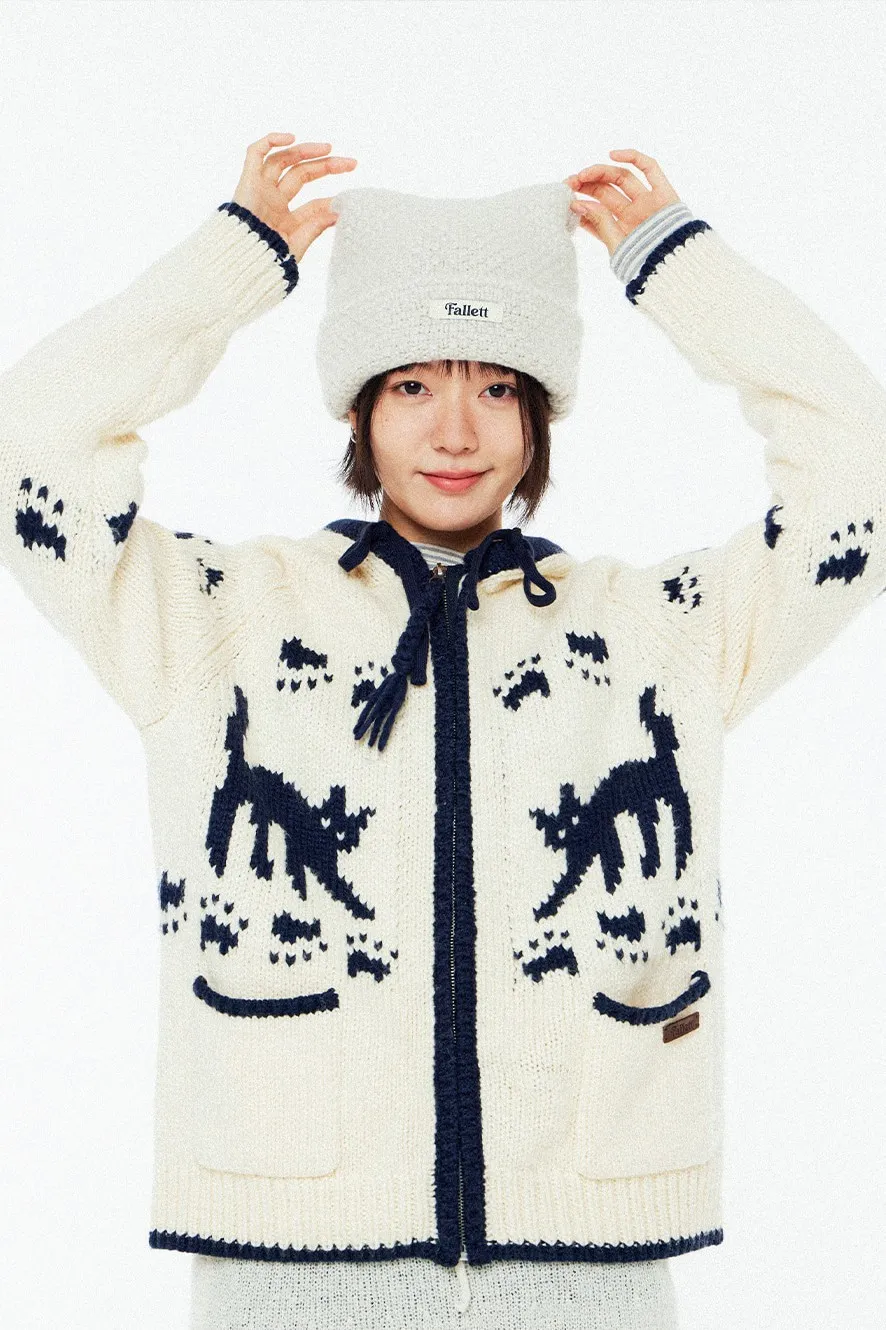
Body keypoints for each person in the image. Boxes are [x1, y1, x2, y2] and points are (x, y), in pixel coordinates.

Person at [1, 133, 884, 1330]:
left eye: (498, 386)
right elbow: (33, 441)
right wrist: (231, 266)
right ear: (359, 408)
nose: (456, 432)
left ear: (539, 415)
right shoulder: (215, 620)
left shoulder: (657, 632)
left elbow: (863, 472)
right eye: (413, 385)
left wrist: (678, 268)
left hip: (584, 1266)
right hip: (291, 1263)